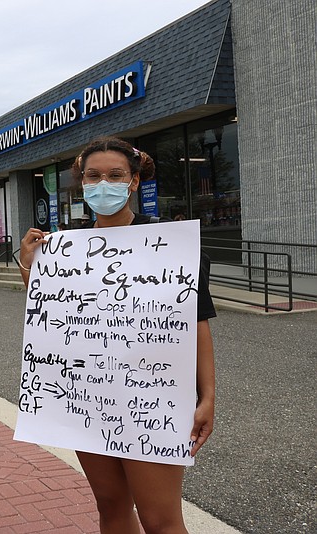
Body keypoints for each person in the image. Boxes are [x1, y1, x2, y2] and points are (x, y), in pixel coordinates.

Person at [17, 137, 216, 534]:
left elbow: (197, 324)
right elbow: (54, 315)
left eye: (115, 175)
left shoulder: (171, 246)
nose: (102, 183)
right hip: (89, 398)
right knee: (110, 507)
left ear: (134, 181)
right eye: (93, 176)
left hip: (151, 400)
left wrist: (207, 395)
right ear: (82, 183)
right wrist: (30, 266)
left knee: (161, 519)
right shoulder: (64, 249)